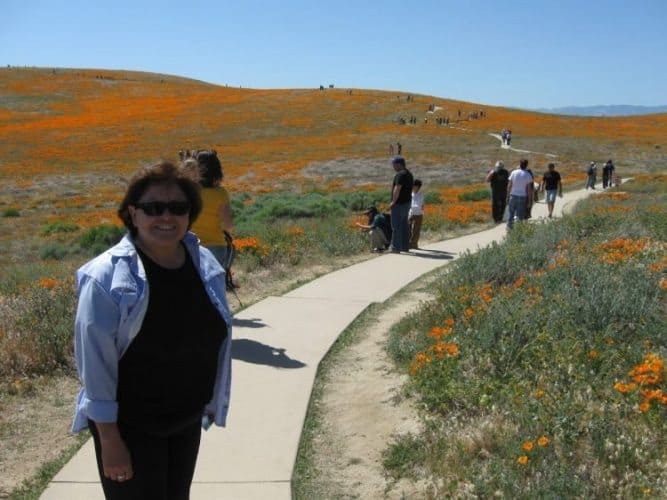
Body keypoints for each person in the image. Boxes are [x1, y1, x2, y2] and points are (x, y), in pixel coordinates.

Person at [71, 161, 233, 500]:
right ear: (132, 212)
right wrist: (110, 439)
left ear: (190, 213)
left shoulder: (204, 265)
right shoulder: (106, 278)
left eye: (177, 208)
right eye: (153, 207)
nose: (166, 217)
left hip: (185, 420)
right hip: (131, 427)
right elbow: (95, 365)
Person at [188, 151, 234, 268]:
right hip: (216, 246)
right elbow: (228, 225)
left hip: (191, 246)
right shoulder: (221, 193)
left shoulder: (190, 192)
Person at [389, 156, 414, 252]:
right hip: (407, 203)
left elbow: (397, 188)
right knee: (404, 225)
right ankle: (405, 246)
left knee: (396, 226)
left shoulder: (400, 175)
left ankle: (396, 248)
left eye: (394, 165)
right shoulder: (409, 174)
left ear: (399, 164)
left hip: (399, 204)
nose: (393, 167)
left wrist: (393, 202)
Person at [506, 159, 534, 230]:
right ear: (526, 165)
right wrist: (530, 201)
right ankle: (518, 230)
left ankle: (509, 228)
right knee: (520, 215)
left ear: (520, 164)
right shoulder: (528, 175)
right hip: (522, 197)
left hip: (513, 195)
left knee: (510, 213)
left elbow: (509, 185)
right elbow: (529, 190)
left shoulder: (514, 172)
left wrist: (507, 196)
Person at [408, 179, 424, 249]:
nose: (413, 187)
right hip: (410, 213)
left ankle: (414, 244)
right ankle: (408, 243)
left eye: (414, 186)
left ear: (418, 187)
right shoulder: (409, 194)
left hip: (418, 214)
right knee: (408, 229)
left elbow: (420, 205)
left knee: (416, 230)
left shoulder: (421, 195)